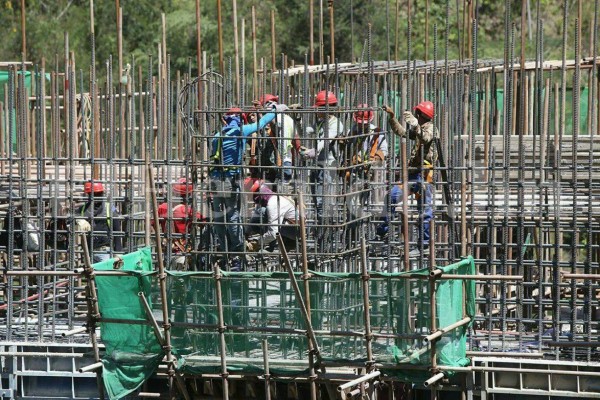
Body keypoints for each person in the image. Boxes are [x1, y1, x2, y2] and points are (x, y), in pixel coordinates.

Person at [210, 107, 276, 271]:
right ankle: (237, 254)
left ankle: (224, 252)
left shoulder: (216, 136)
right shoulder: (240, 130)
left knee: (218, 218)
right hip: (231, 180)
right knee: (233, 216)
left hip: (216, 180)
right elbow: (261, 124)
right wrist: (275, 111)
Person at [377, 101, 437, 257]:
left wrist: (416, 125)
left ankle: (424, 245)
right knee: (391, 197)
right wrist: (392, 117)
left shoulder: (430, 129)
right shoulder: (420, 129)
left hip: (423, 176)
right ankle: (384, 232)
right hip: (412, 175)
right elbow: (401, 132)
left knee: (424, 210)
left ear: (420, 115)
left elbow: (425, 139)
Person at [299, 90, 344, 229]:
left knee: (323, 200)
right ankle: (321, 229)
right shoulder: (321, 122)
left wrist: (313, 151)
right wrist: (297, 120)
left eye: (318, 108)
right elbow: (307, 130)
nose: (316, 111)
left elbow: (326, 140)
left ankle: (327, 231)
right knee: (316, 198)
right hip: (319, 164)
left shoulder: (335, 124)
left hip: (328, 166)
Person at [155, 178, 205, 270]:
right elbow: (204, 223)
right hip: (182, 253)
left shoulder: (162, 208)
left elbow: (152, 224)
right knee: (181, 281)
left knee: (165, 279)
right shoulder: (189, 211)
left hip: (165, 252)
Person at [244, 178, 300, 252]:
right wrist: (246, 233)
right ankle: (246, 235)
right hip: (290, 227)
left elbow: (274, 233)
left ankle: (271, 247)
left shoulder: (272, 204)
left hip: (294, 232)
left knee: (263, 213)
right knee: (261, 212)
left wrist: (256, 242)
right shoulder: (273, 198)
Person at [75, 181, 123, 263]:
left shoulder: (110, 207)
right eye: (92, 194)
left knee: (103, 274)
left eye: (98, 194)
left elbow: (117, 230)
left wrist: (118, 252)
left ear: (102, 194)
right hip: (88, 252)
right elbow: (70, 218)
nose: (95, 197)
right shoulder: (83, 209)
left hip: (104, 251)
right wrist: (78, 219)